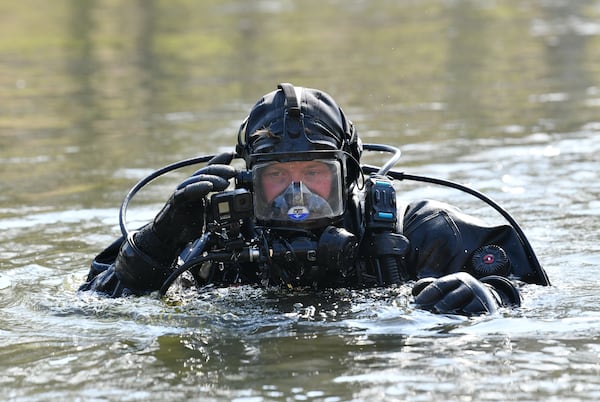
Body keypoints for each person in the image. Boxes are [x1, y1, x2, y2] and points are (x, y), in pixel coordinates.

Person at [79, 83, 550, 315]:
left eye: (314, 173)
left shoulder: (421, 232)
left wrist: (496, 295)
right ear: (250, 182)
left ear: (350, 175)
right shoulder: (219, 243)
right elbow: (93, 307)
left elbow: (542, 298)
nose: (297, 194)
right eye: (278, 176)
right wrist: (162, 237)